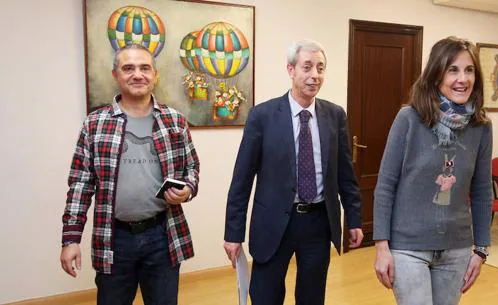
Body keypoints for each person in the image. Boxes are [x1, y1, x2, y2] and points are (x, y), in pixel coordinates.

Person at [223, 39, 364, 305]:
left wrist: (354, 219)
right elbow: (241, 179)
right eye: (307, 67)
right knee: (266, 296)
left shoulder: (335, 115)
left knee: (312, 297)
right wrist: (233, 233)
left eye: (320, 68)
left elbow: (345, 173)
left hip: (318, 223)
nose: (315, 75)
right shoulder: (262, 116)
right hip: (273, 223)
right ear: (291, 70)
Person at [60, 44, 200, 305]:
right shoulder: (95, 123)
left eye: (145, 68)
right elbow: (80, 184)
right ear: (116, 75)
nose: (138, 74)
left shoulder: (175, 121)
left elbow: (191, 168)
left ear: (155, 74)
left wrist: (187, 189)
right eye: (128, 68)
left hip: (163, 235)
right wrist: (70, 239)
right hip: (113, 238)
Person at [373, 36, 492, 305]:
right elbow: (386, 185)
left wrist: (481, 249)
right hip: (408, 247)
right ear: (436, 73)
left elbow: (482, 189)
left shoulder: (481, 126)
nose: (463, 78)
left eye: (469, 70)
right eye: (453, 70)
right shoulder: (409, 118)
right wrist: (381, 246)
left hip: (457, 247)